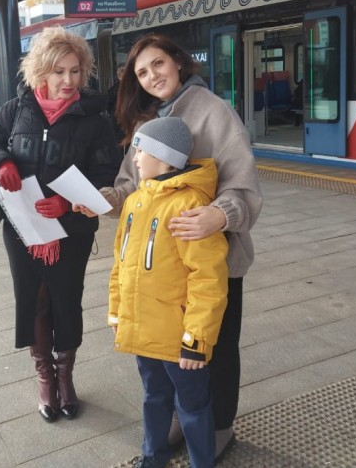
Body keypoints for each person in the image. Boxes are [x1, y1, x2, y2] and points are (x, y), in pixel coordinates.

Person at [100, 33, 262, 460]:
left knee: (218, 347)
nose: (152, 76)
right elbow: (130, 185)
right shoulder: (147, 120)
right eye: (141, 72)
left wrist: (220, 214)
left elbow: (243, 184)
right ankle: (178, 422)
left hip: (212, 256)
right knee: (163, 351)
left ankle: (220, 427)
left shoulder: (214, 111)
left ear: (177, 61)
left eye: (157, 64)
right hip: (160, 266)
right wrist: (106, 201)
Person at [0, 26, 121, 423]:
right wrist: (1, 163)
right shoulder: (15, 109)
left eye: (75, 71)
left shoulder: (96, 118)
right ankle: (45, 379)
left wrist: (70, 204)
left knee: (66, 301)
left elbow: (107, 172)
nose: (68, 81)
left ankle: (65, 376)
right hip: (23, 229)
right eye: (59, 72)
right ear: (41, 71)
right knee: (34, 299)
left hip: (71, 232)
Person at [109, 116, 228, 468]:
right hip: (144, 328)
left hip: (179, 338)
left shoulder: (190, 206)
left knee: (192, 406)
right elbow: (120, 264)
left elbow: (208, 279)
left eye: (139, 150)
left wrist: (196, 339)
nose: (135, 158)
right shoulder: (135, 202)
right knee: (153, 397)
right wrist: (118, 312)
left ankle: (202, 462)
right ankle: (152, 457)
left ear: (164, 158)